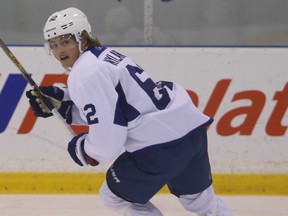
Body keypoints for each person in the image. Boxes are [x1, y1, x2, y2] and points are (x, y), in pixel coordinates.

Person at [26, 7, 233, 216]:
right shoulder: (104, 55)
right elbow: (122, 105)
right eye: (54, 44)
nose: (60, 50)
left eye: (66, 42)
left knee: (115, 196)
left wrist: (83, 149)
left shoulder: (85, 72)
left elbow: (108, 139)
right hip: (191, 133)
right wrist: (64, 103)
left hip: (159, 147)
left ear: (83, 38)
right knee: (200, 202)